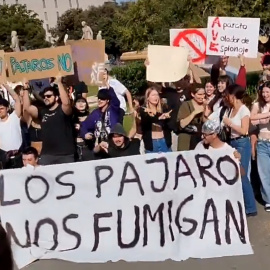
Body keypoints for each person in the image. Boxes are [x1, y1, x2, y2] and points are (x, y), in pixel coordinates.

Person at [24, 77, 75, 165]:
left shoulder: (62, 110)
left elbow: (66, 103)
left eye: (49, 96)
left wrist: (59, 83)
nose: (46, 98)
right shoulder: (43, 111)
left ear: (56, 98)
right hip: (47, 155)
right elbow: (27, 108)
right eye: (44, 97)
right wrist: (25, 88)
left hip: (65, 154)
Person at [223, 84, 257, 216]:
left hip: (242, 143)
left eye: (228, 95)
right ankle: (241, 203)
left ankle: (250, 207)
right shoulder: (230, 110)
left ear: (233, 96)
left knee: (241, 174)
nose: (227, 97)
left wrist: (230, 123)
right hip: (232, 142)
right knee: (233, 175)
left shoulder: (244, 110)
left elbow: (244, 130)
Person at [250, 81, 270, 212]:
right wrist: (266, 115)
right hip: (262, 143)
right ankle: (268, 200)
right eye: (263, 92)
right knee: (264, 173)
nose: (265, 94)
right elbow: (251, 118)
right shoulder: (257, 105)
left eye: (268, 92)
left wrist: (260, 119)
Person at [177, 84, 205, 151]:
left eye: (203, 94)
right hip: (186, 139)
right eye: (199, 94)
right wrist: (194, 113)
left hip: (199, 139)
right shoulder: (186, 105)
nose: (202, 97)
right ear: (193, 94)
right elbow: (182, 124)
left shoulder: (205, 105)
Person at [73, 97, 94, 161]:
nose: (81, 104)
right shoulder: (72, 117)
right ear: (75, 104)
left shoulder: (91, 117)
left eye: (83, 102)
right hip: (75, 147)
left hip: (88, 146)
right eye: (78, 102)